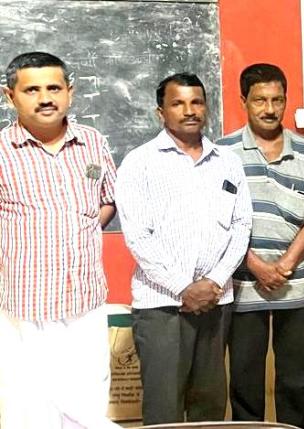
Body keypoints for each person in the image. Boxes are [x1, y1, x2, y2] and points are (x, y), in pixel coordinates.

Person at [116, 73, 252, 424]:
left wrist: (214, 281)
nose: (189, 110)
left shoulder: (227, 161)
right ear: (160, 112)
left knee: (210, 404)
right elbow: (138, 236)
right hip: (161, 305)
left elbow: (241, 226)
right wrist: (183, 288)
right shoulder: (139, 162)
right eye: (178, 103)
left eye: (196, 102)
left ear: (206, 107)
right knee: (165, 408)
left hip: (215, 301)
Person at [0, 51, 121, 429]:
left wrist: (82, 227)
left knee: (88, 404)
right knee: (31, 411)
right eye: (31, 90)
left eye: (54, 88)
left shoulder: (92, 143)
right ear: (10, 96)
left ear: (70, 91)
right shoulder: (2, 150)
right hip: (25, 306)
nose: (45, 98)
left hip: (85, 299)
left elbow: (108, 199)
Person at [215, 64, 304, 429]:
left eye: (277, 100)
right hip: (243, 283)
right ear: (243, 101)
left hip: (297, 281)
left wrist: (285, 264)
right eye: (260, 100)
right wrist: (255, 265)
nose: (269, 108)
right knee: (245, 375)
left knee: (295, 374)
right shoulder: (223, 151)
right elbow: (217, 218)